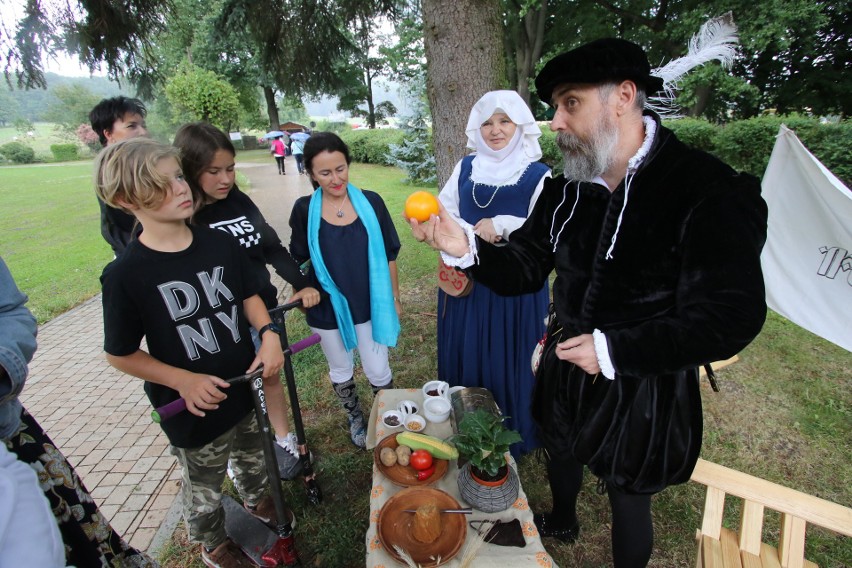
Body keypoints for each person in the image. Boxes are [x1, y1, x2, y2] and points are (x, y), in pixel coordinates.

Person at [409, 38, 768, 567]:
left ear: (623, 96)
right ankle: (563, 516)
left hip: (642, 378)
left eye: (569, 103)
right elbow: (527, 265)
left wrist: (613, 350)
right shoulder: (568, 188)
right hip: (566, 360)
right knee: (561, 447)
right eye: (556, 106)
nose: (554, 121)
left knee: (627, 493)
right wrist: (463, 247)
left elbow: (730, 316)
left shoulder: (707, 189)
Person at [97, 138, 296, 568]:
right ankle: (212, 541)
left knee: (253, 454)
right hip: (193, 408)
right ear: (123, 199)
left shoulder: (218, 244)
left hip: (243, 385)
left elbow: (248, 295)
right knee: (204, 483)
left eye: (178, 176)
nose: (181, 188)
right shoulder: (125, 275)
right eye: (161, 183)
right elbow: (120, 353)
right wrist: (182, 381)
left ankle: (256, 498)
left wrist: (267, 334)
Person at [174, 121, 321, 473]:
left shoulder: (237, 200)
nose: (225, 179)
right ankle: (241, 460)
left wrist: (300, 284)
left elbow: (272, 248)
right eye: (213, 171)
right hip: (224, 324)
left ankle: (282, 438)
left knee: (271, 374)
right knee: (234, 391)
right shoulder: (185, 216)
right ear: (189, 170)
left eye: (230, 168)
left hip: (263, 310)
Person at [0, 257, 155, 567]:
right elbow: (119, 350)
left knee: (83, 547)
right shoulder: (122, 273)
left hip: (11, 438)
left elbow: (10, 313)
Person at [436, 90, 551, 458]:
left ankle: (513, 432)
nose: (495, 130)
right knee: (470, 349)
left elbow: (544, 229)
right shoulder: (466, 167)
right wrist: (462, 236)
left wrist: (500, 224)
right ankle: (471, 426)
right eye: (487, 122)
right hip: (471, 281)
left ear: (520, 125)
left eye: (505, 121)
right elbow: (444, 209)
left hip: (516, 286)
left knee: (512, 354)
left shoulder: (538, 174)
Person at [288, 132, 401, 449]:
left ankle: (387, 414)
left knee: (378, 368)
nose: (335, 178)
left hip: (370, 303)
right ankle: (355, 416)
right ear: (311, 173)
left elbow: (390, 253)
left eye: (340, 169)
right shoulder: (303, 209)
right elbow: (297, 258)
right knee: (340, 366)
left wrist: (393, 298)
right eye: (325, 172)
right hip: (327, 308)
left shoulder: (372, 202)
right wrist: (302, 288)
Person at [89, 96, 150, 255]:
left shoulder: (142, 162)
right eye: (132, 126)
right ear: (108, 133)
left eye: (143, 125)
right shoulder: (109, 172)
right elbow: (114, 228)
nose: (143, 132)